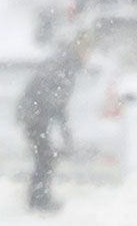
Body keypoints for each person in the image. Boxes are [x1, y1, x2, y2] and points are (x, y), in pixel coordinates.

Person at [16, 34, 90, 214]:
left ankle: (38, 198)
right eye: (86, 50)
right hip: (34, 114)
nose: (88, 55)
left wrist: (66, 134)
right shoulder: (65, 65)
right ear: (79, 48)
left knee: (45, 157)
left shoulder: (65, 62)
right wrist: (65, 134)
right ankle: (38, 200)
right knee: (45, 157)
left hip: (34, 113)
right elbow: (57, 101)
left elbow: (59, 102)